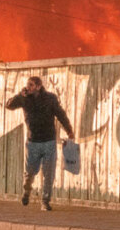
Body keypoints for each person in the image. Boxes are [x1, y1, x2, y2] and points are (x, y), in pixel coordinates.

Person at [5, 76, 75, 211]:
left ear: (38, 86)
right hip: (32, 142)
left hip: (49, 141)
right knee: (30, 172)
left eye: (31, 85)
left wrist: (69, 130)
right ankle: (27, 190)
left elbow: (60, 114)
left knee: (49, 173)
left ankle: (45, 201)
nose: (28, 87)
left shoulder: (50, 98)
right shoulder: (24, 98)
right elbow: (9, 105)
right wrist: (20, 95)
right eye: (27, 85)